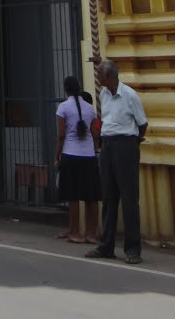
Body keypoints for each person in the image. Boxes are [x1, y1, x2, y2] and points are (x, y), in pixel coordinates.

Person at [86, 59, 148, 264]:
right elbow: (104, 120)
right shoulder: (103, 95)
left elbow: (142, 124)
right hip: (108, 145)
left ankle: (132, 248)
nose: (97, 77)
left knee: (129, 199)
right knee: (109, 197)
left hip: (126, 144)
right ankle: (106, 245)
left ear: (109, 76)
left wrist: (132, 143)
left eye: (100, 74)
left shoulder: (129, 95)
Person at [54, 75, 101, 243]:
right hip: (88, 156)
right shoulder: (90, 108)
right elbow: (95, 133)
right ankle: (91, 234)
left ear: (66, 89)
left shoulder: (63, 107)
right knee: (91, 197)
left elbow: (61, 135)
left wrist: (56, 156)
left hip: (70, 154)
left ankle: (74, 232)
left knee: (73, 196)